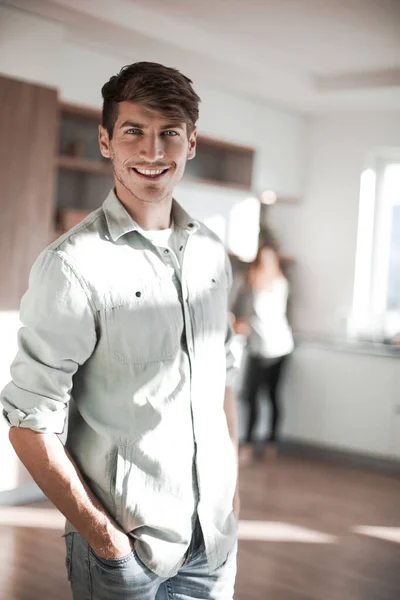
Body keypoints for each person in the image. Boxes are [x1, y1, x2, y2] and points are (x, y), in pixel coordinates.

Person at [0, 62, 239, 600]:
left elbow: (221, 376)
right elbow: (27, 422)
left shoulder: (210, 254)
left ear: (191, 143)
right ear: (106, 141)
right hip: (129, 553)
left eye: (168, 133)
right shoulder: (73, 265)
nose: (153, 152)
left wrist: (231, 494)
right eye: (134, 131)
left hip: (214, 542)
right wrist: (106, 540)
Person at [231, 241, 294, 465]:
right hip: (257, 348)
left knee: (272, 394)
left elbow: (278, 317)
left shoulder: (281, 284)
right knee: (250, 396)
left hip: (279, 347)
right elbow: (236, 312)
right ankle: (246, 443)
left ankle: (271, 442)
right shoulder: (247, 282)